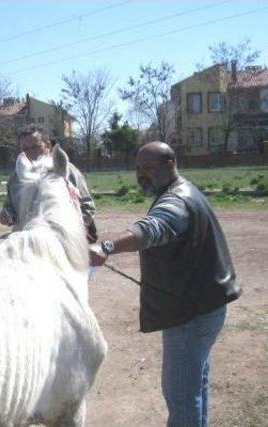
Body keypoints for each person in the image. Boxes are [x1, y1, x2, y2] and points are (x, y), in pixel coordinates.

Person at [90, 141, 242, 427]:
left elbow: (153, 228)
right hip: (204, 305)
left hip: (191, 314)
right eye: (137, 169)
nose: (141, 175)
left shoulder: (177, 200)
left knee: (182, 395)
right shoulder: (181, 190)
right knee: (194, 388)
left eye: (148, 168)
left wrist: (107, 246)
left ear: (170, 164)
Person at [0, 125, 98, 243]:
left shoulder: (67, 171)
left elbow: (87, 206)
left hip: (63, 242)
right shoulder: (16, 179)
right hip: (27, 243)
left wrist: (68, 230)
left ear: (48, 145)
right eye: (25, 149)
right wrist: (7, 215)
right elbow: (11, 206)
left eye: (36, 146)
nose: (30, 152)